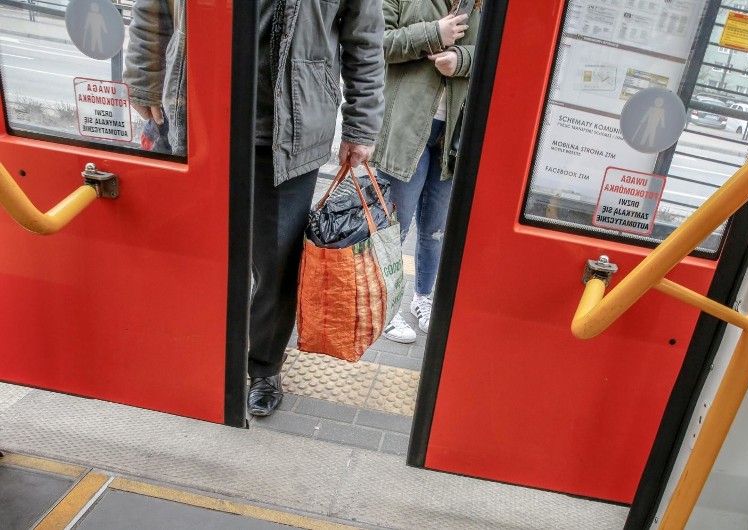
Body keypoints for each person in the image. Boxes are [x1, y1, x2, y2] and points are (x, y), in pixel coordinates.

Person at [124, 0, 385, 416]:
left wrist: (362, 125)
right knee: (193, 253)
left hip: (291, 131)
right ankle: (193, 350)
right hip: (198, 113)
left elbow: (365, 40)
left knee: (276, 262)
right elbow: (153, 9)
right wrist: (143, 79)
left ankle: (263, 366)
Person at [372, 0, 481, 343]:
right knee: (397, 227)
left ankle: (424, 299)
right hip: (406, 128)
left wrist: (461, 60)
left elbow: (509, 53)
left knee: (434, 230)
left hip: (455, 135)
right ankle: (385, 307)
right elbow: (377, 42)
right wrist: (434, 33)